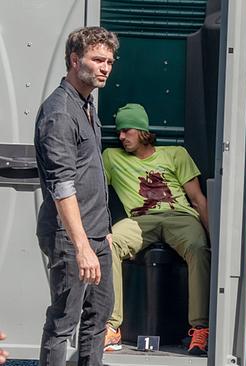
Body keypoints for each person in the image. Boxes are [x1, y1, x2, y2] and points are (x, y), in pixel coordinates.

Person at [34, 26, 118, 366]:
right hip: (71, 239)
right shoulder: (59, 112)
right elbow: (63, 185)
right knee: (63, 321)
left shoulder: (86, 105)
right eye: (97, 59)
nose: (105, 67)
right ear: (74, 60)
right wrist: (82, 246)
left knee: (98, 317)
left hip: (97, 234)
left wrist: (105, 231)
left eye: (110, 61)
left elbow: (90, 173)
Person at [102, 103, 211, 355]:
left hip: (179, 216)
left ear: (142, 131)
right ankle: (111, 325)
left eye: (126, 131)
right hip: (140, 220)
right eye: (119, 132)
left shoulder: (175, 154)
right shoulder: (112, 157)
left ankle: (201, 329)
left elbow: (198, 199)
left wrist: (213, 239)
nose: (120, 137)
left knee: (198, 248)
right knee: (111, 243)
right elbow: (94, 192)